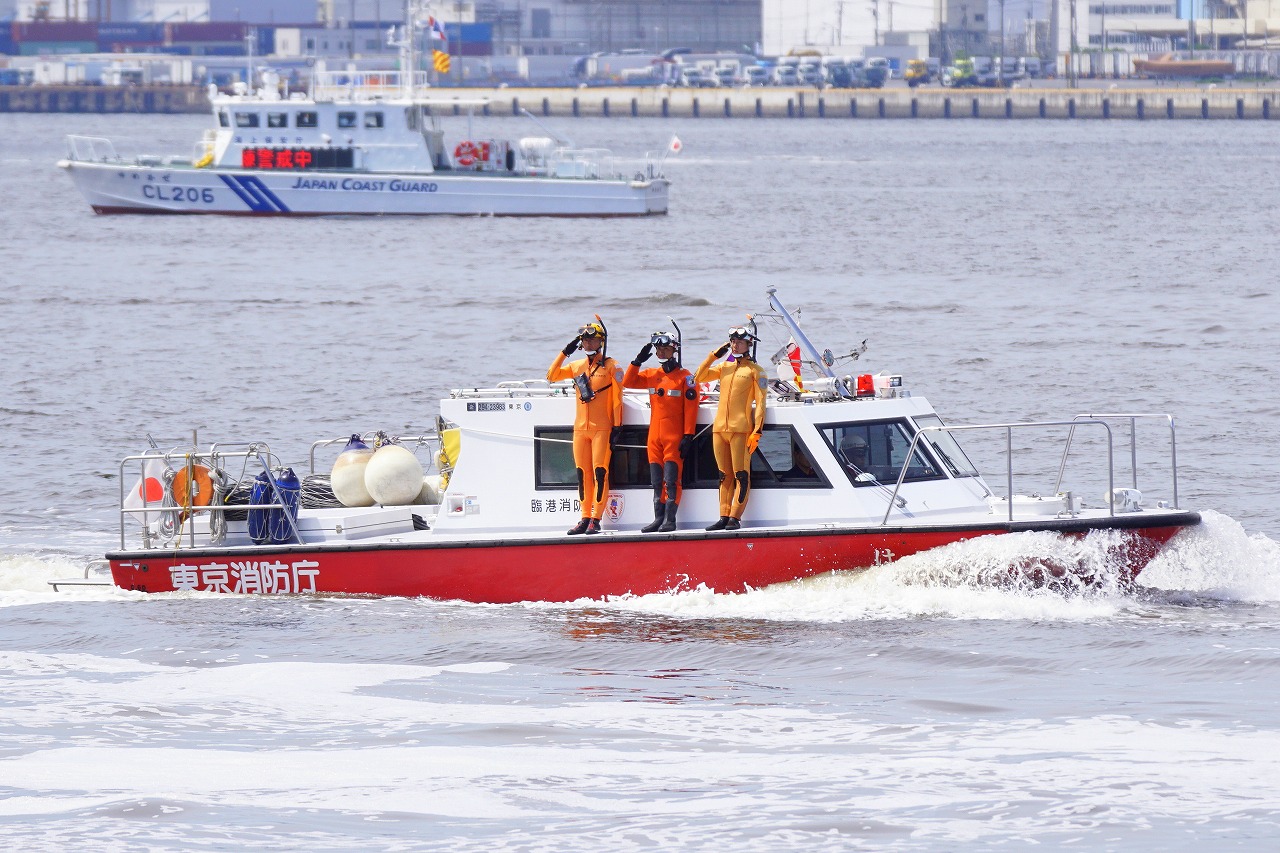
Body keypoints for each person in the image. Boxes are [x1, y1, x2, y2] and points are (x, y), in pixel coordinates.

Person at [548, 321, 623, 535]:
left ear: (602, 341)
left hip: (602, 428)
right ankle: (584, 517)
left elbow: (618, 398)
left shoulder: (612, 366)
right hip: (580, 429)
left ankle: (596, 519)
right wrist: (566, 351)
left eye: (593, 339)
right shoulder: (576, 366)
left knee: (600, 472)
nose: (589, 342)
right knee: (582, 474)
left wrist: (617, 426)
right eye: (585, 339)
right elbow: (551, 376)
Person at [623, 330, 698, 533]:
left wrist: (688, 435)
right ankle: (658, 518)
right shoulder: (650, 375)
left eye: (665, 348)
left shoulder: (686, 377)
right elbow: (627, 382)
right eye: (658, 349)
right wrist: (637, 361)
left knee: (671, 479)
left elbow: (692, 408)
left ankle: (670, 520)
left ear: (674, 349)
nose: (661, 352)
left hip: (673, 437)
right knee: (656, 480)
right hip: (654, 437)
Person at [694, 325, 767, 531]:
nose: (735, 345)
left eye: (739, 342)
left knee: (741, 474)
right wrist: (713, 355)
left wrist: (757, 431)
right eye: (732, 341)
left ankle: (735, 517)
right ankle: (723, 516)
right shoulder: (724, 367)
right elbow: (698, 377)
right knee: (723, 475)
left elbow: (761, 403)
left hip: (741, 428)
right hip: (719, 428)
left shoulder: (755, 371)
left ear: (748, 344)